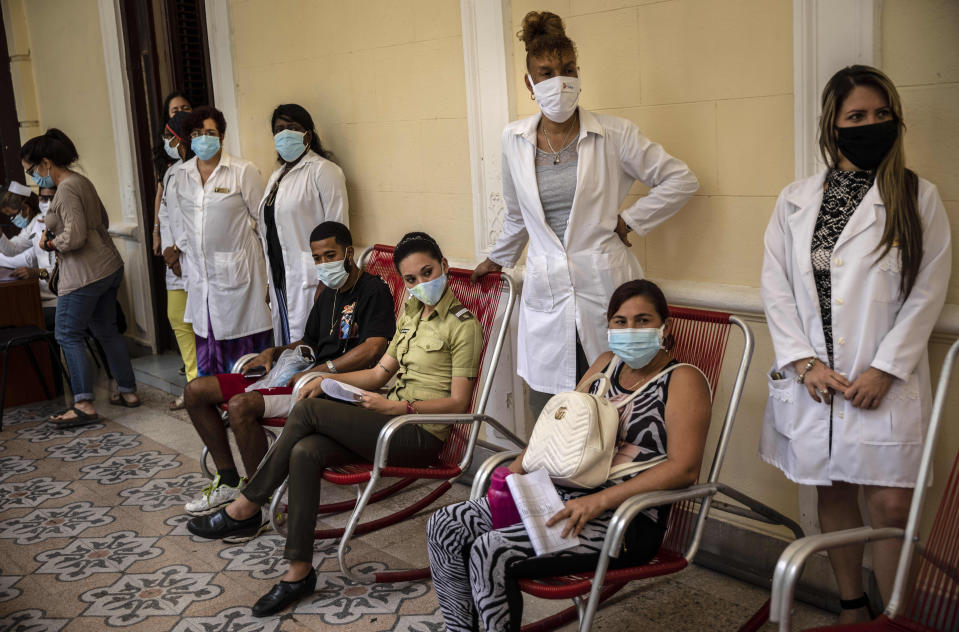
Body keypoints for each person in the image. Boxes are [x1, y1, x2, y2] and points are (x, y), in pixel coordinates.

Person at [186, 232, 484, 617]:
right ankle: (298, 572)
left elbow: (459, 403)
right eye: (411, 279)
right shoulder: (411, 312)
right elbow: (378, 375)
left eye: (428, 272)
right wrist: (325, 381)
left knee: (308, 413)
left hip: (418, 433)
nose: (421, 284)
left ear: (444, 267)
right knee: (307, 450)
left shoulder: (463, 325)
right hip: (386, 419)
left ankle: (247, 504)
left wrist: (400, 408)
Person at [760, 65, 951, 624]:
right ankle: (852, 606)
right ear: (833, 126)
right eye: (857, 116)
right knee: (834, 489)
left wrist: (886, 369)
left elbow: (929, 291)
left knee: (890, 501)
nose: (870, 124)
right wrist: (804, 363)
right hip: (817, 380)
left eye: (881, 115)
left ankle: (895, 616)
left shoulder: (919, 197)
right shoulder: (796, 201)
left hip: (882, 380)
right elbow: (775, 287)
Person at [427, 279, 711, 631]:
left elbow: (684, 469)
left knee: (491, 550)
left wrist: (600, 501)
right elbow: (557, 428)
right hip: (560, 496)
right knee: (444, 525)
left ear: (663, 328)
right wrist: (515, 472)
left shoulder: (683, 380)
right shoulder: (606, 364)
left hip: (623, 520)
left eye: (643, 320)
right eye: (620, 322)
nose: (631, 329)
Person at [470, 11, 698, 419]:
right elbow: (518, 212)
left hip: (606, 290)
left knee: (614, 406)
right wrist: (498, 257)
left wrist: (631, 220)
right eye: (546, 72)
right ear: (530, 83)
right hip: (548, 296)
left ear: (578, 75)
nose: (559, 80)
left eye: (567, 69)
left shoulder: (615, 133)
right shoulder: (514, 140)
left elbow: (680, 179)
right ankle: (551, 484)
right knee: (553, 412)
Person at [182, 221, 395, 515]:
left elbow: (374, 347)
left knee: (240, 406)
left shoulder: (373, 291)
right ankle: (229, 480)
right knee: (195, 390)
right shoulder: (328, 294)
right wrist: (274, 351)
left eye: (330, 255)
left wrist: (325, 370)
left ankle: (260, 499)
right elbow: (309, 341)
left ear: (349, 252)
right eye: (317, 258)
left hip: (331, 387)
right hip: (301, 374)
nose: (323, 264)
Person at [20, 129, 140, 426]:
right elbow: (103, 220)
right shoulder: (81, 181)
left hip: (85, 274)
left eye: (32, 170)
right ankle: (128, 392)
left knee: (67, 334)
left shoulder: (67, 188)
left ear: (46, 162)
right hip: (108, 266)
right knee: (106, 330)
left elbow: (74, 238)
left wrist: (49, 243)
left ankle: (83, 403)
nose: (34, 177)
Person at [168, 105, 272, 376]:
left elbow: (264, 224)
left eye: (210, 132)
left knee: (243, 363)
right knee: (208, 354)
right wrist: (182, 251)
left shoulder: (242, 171)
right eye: (197, 133)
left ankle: (241, 412)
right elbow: (181, 221)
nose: (203, 138)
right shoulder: (182, 175)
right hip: (201, 282)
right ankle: (215, 413)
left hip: (241, 281)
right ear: (189, 138)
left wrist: (270, 277)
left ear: (222, 136)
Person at [258, 104, 348, 345]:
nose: (285, 134)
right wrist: (271, 280)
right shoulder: (277, 177)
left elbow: (338, 230)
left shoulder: (325, 171)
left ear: (307, 134)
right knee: (287, 345)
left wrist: (327, 282)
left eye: (292, 128)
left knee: (310, 347)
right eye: (279, 129)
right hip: (282, 280)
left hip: (311, 279)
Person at [156, 110, 197, 409]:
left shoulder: (199, 170)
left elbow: (195, 216)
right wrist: (169, 251)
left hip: (192, 257)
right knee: (177, 318)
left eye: (170, 136)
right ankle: (194, 383)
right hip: (174, 259)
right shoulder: (171, 171)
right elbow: (166, 212)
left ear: (181, 139)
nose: (166, 142)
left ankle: (204, 383)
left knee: (201, 324)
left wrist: (180, 249)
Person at [0, 182, 57, 329]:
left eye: (50, 199)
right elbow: (13, 249)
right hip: (44, 296)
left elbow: (59, 273)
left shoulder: (61, 228)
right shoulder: (35, 224)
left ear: (25, 208)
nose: (46, 204)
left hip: (58, 298)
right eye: (43, 199)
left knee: (16, 319)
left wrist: (36, 272)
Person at [151, 91, 192, 254]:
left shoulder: (202, 155)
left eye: (185, 108)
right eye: (175, 110)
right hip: (172, 240)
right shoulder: (169, 164)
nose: (181, 113)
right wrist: (156, 233)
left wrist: (176, 249)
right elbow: (162, 198)